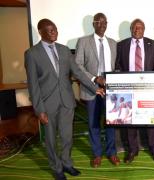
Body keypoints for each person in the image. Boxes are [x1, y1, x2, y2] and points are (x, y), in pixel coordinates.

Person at [24, 19, 104, 180]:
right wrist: (39, 110)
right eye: (49, 30)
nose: (54, 32)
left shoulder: (64, 50)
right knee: (51, 140)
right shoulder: (32, 54)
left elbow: (78, 73)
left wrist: (95, 88)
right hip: (47, 104)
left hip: (67, 102)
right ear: (40, 32)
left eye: (55, 29)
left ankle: (67, 164)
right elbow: (33, 85)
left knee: (67, 137)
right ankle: (56, 168)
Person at [74, 13, 120, 167]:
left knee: (111, 123)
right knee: (94, 123)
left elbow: (116, 67)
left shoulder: (113, 43)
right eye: (98, 22)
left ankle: (112, 153)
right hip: (91, 88)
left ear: (107, 24)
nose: (102, 25)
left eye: (104, 22)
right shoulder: (83, 42)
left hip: (110, 91)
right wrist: (95, 79)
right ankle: (97, 154)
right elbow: (78, 66)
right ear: (93, 24)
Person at [115, 18, 154, 163]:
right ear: (131, 29)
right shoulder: (121, 45)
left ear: (144, 29)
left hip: (147, 89)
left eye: (140, 27)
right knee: (130, 121)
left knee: (151, 121)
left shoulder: (152, 44)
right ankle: (132, 150)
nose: (137, 30)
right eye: (134, 27)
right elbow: (118, 65)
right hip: (128, 89)